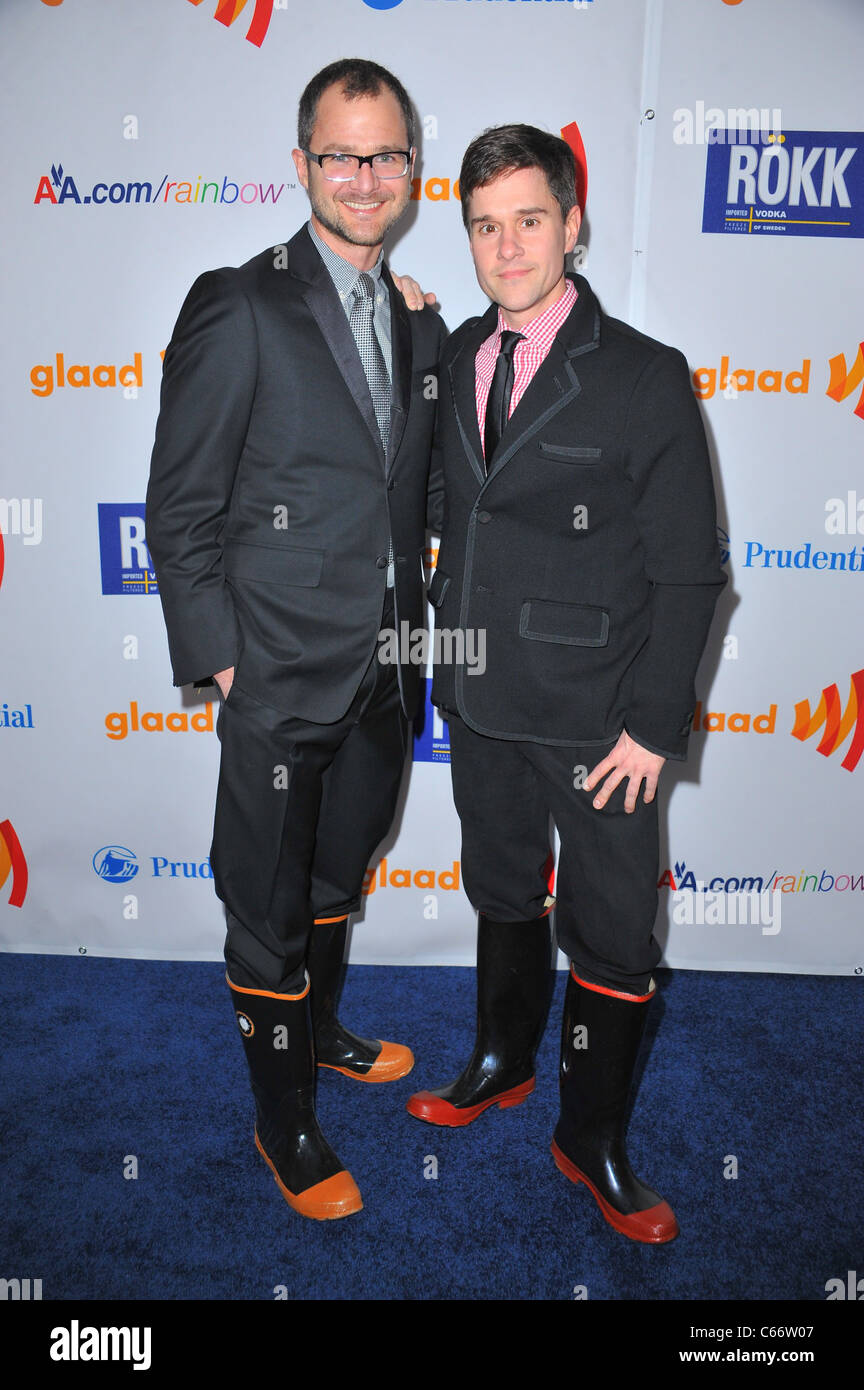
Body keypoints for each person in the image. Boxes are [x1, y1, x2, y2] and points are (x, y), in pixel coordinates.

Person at [409, 124, 726, 1243]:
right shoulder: (451, 359)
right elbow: (453, 507)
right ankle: (500, 1058)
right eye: (486, 226)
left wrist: (652, 726)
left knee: (612, 936)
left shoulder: (644, 374)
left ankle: (588, 1135)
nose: (507, 248)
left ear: (573, 223)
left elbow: (692, 570)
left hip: (602, 720)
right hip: (481, 693)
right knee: (502, 887)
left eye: (528, 220)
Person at [146, 59, 444, 1221]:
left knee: (338, 863)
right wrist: (224, 655)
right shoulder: (241, 300)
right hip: (274, 666)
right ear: (302, 164)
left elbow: (414, 492)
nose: (364, 179)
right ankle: (285, 1125)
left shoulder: (424, 327)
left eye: (385, 156)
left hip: (385, 666)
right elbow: (180, 503)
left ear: (411, 167)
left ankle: (319, 1034)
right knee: (266, 897)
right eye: (340, 155)